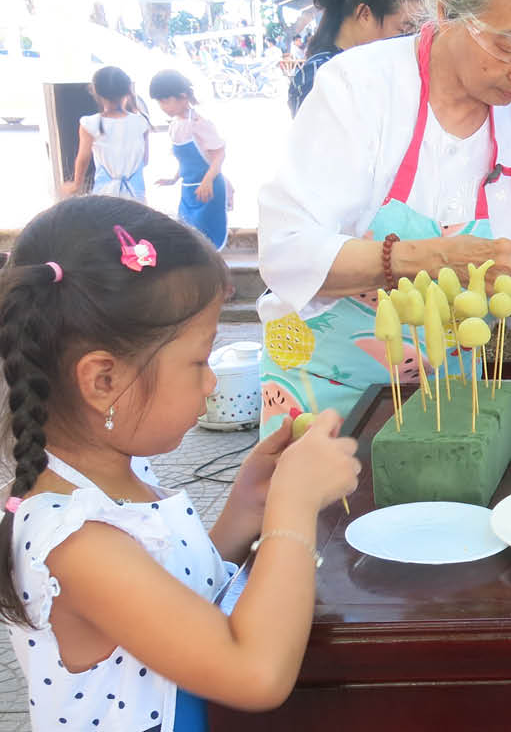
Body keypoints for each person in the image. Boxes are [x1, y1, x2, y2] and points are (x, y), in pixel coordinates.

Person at [0, 196, 359, 730]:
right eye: (198, 360)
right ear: (104, 381)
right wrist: (294, 508)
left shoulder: (116, 483)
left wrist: (247, 507)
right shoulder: (75, 541)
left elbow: (169, 601)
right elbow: (255, 672)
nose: (211, 380)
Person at [257, 0, 511, 435]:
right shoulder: (360, 87)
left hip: (451, 403)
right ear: (449, 6)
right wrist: (441, 256)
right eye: (508, 45)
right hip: (323, 398)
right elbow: (287, 252)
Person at [287, 0, 424, 116]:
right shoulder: (319, 77)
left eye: (416, 32)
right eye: (404, 31)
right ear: (364, 14)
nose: (411, 42)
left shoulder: (379, 69)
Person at [150, 70, 229, 250]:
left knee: (207, 241)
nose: (162, 106)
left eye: (165, 100)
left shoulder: (199, 123)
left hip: (208, 189)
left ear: (183, 97)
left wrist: (208, 180)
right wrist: (174, 178)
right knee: (190, 238)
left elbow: (219, 154)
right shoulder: (176, 124)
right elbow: (186, 160)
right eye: (159, 102)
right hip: (188, 188)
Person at [63, 66, 151, 201]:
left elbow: (83, 158)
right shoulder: (141, 122)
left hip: (105, 194)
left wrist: (76, 185)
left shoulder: (90, 123)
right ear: (128, 89)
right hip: (136, 194)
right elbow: (144, 160)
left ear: (95, 91)